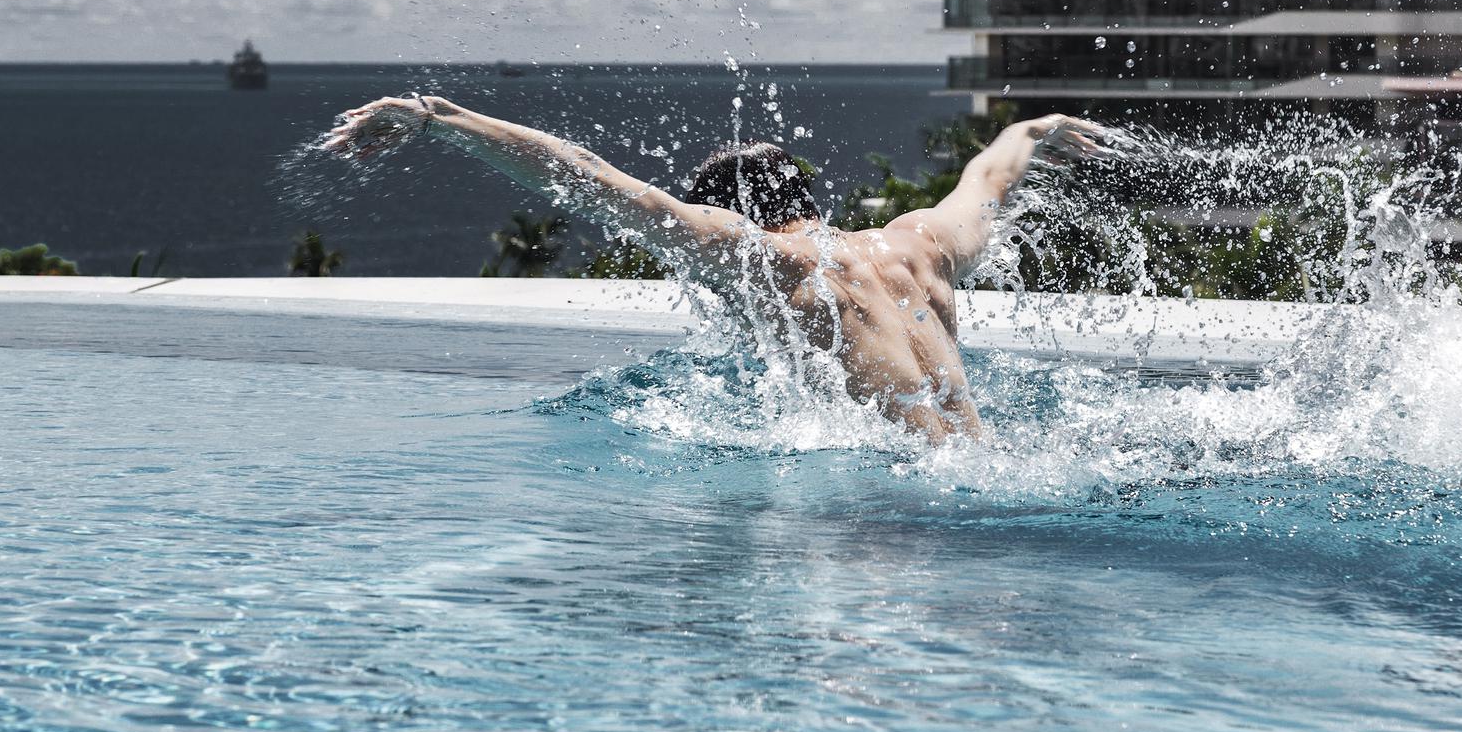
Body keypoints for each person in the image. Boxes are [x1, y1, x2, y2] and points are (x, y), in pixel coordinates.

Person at [321, 94, 1107, 441]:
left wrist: (437, 118)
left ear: (734, 216)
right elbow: (989, 178)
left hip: (893, 505)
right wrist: (1037, 129)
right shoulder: (918, 242)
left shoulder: (758, 256)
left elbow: (588, 175)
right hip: (987, 467)